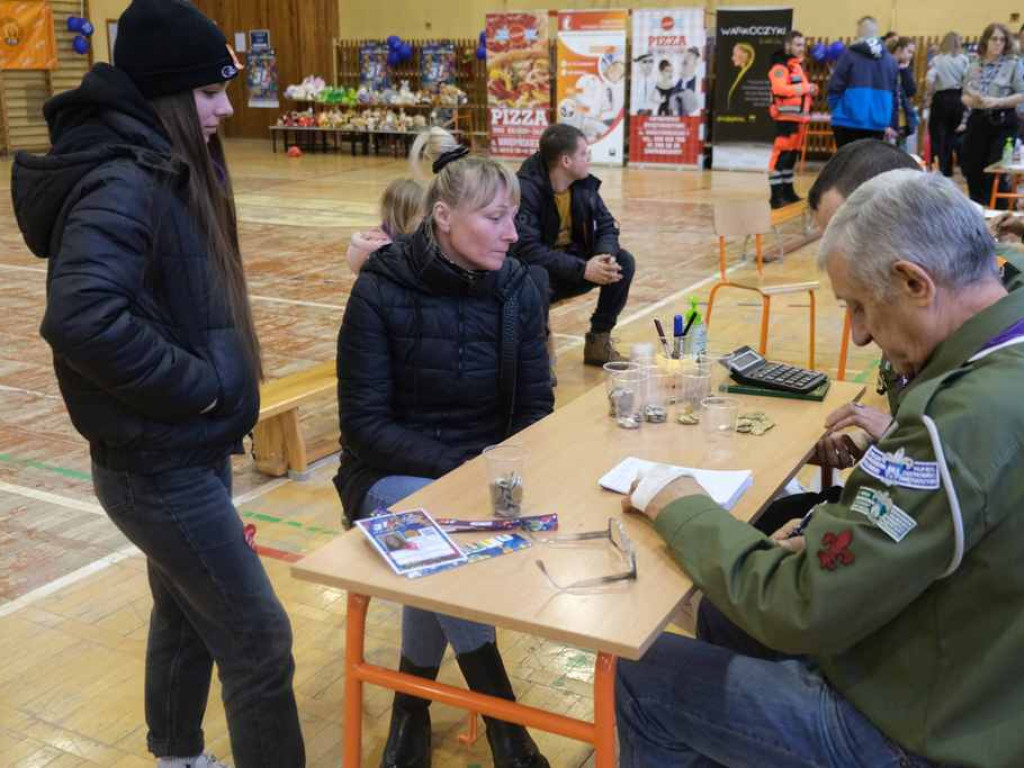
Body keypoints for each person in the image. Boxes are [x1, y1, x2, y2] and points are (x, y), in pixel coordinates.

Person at [616, 169, 1024, 768]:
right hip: (980, 680)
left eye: (859, 307)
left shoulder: (955, 419)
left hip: (919, 729)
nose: (858, 335)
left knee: (639, 676)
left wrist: (677, 500)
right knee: (721, 616)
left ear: (915, 281)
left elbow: (800, 606)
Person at [8, 2, 305, 767]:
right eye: (210, 94)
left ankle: (175, 754)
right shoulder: (123, 181)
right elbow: (81, 319)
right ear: (169, 95)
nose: (225, 108)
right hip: (159, 464)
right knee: (259, 638)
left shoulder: (164, 164)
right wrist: (201, 388)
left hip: (185, 449)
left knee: (184, 613)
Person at [334, 126, 554, 768]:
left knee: (439, 542)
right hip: (388, 472)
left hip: (485, 474)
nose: (513, 234)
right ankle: (506, 726)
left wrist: (501, 470)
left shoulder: (517, 286)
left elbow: (534, 408)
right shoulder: (381, 286)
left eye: (515, 217)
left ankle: (411, 706)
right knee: (439, 528)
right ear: (443, 218)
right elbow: (364, 426)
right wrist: (464, 473)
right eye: (495, 218)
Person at [514, 123, 635, 366]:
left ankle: (598, 342)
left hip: (573, 266)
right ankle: (537, 360)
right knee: (536, 278)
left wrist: (604, 257)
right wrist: (583, 269)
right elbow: (527, 250)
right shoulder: (525, 190)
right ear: (566, 161)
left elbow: (607, 225)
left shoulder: (583, 184)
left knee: (623, 261)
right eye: (584, 154)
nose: (589, 159)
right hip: (539, 275)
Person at [960, 22, 1024, 205]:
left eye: (1002, 40)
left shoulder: (1013, 63)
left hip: (1003, 120)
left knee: (995, 170)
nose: (998, 43)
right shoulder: (974, 64)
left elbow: (1021, 94)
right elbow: (964, 96)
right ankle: (977, 211)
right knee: (972, 168)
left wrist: (998, 102)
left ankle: (998, 215)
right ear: (985, 41)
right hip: (978, 119)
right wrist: (973, 101)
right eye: (994, 39)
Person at [827, 16, 900, 146]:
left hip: (847, 120)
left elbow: (835, 86)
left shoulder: (849, 55)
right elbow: (895, 96)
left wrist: (837, 109)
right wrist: (892, 123)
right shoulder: (891, 61)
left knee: (847, 164)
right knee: (869, 164)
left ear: (859, 32)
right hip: (877, 122)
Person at [768, 30, 816, 208]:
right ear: (788, 46)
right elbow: (780, 89)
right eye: (797, 44)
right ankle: (775, 196)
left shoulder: (796, 66)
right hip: (786, 119)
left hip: (798, 119)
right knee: (780, 156)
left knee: (790, 157)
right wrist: (805, 88)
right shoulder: (780, 67)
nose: (801, 48)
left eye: (803, 45)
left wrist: (811, 90)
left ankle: (788, 192)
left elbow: (799, 90)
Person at [346, 178, 424, 275]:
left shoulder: (367, 240)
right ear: (406, 215)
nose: (424, 221)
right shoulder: (386, 252)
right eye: (421, 216)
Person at [925, 32, 969, 177]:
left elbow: (930, 80)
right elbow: (967, 80)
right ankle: (950, 168)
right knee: (953, 135)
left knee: (938, 135)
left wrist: (929, 96)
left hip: (941, 98)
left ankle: (939, 168)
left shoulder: (937, 60)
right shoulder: (964, 60)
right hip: (958, 98)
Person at [890, 37, 919, 150]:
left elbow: (911, 91)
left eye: (912, 52)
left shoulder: (905, 68)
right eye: (909, 51)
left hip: (902, 119)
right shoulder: (887, 65)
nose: (911, 55)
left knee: (902, 152)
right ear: (899, 49)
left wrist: (904, 70)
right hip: (889, 119)